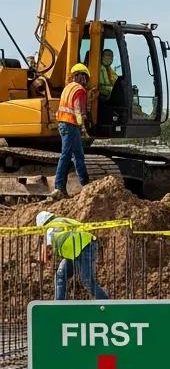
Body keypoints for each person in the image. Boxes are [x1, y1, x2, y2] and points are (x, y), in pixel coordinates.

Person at [36, 211, 109, 300]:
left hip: (83, 248)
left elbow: (45, 254)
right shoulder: (63, 220)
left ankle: (106, 301)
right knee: (60, 275)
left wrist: (41, 260)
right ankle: (58, 304)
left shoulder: (49, 228)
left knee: (87, 280)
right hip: (82, 248)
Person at [50, 62, 91, 200]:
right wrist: (82, 126)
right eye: (83, 77)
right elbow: (77, 109)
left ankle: (86, 185)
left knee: (78, 155)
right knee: (66, 155)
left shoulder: (68, 88)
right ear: (79, 77)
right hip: (71, 125)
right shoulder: (79, 90)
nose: (84, 80)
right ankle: (59, 187)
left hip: (64, 124)